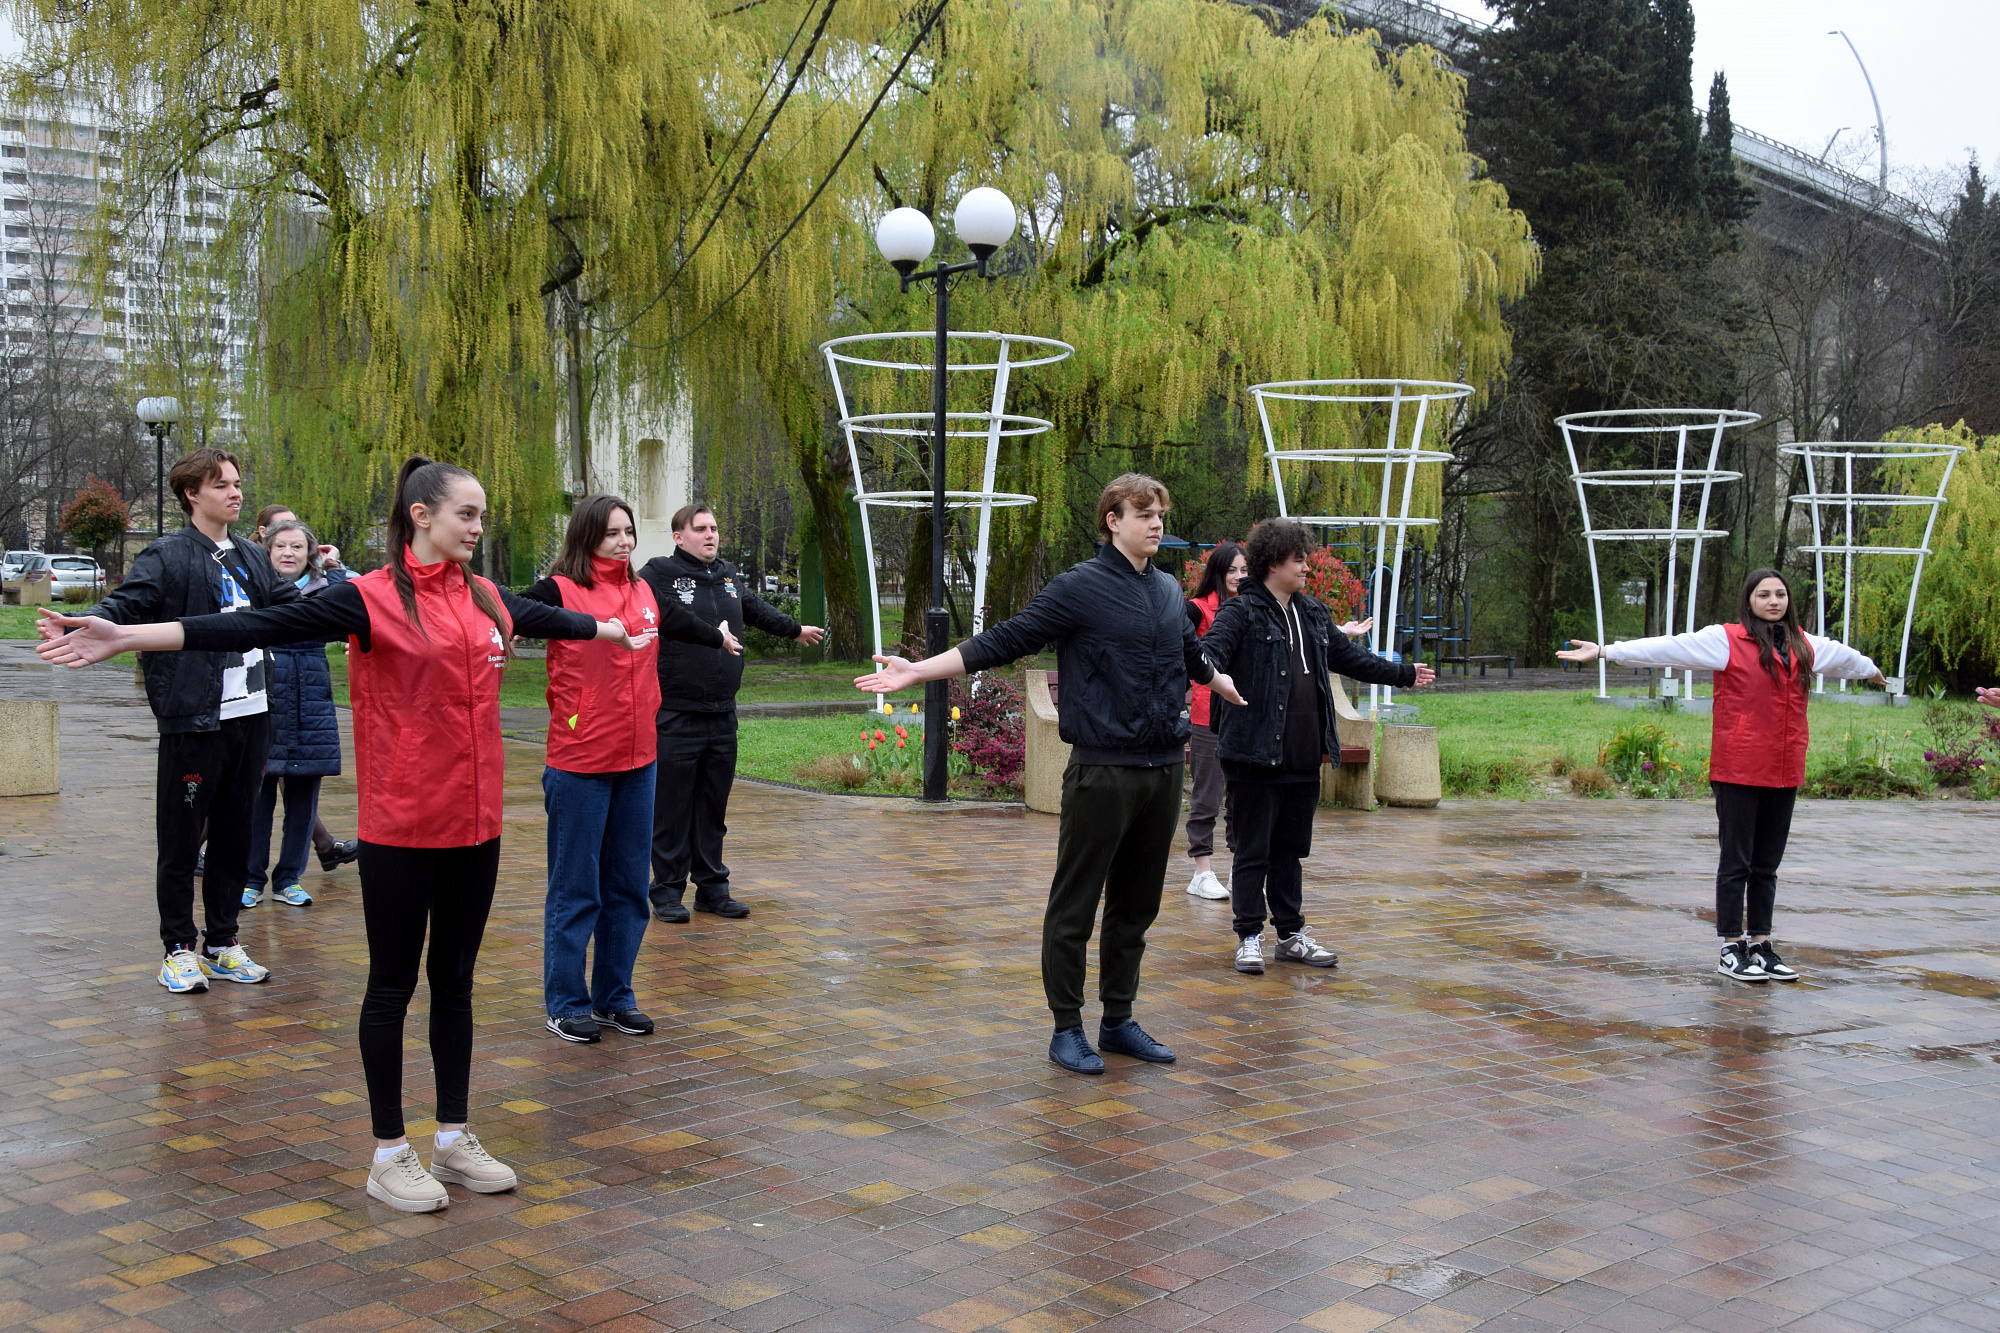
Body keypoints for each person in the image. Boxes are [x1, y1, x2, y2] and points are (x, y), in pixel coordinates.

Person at [39, 456, 656, 1213]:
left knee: (455, 983)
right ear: (421, 515)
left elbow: (557, 618)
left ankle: (453, 1136)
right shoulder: (367, 600)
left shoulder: (488, 597)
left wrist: (613, 629)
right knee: (393, 987)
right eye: (467, 513)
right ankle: (389, 1151)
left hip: (477, 826)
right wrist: (127, 635)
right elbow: (254, 622)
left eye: (482, 514)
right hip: (402, 828)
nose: (479, 527)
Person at [855, 474, 1243, 1076]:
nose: (1156, 523)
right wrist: (920, 672)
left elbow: (1187, 650)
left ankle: (1118, 1021)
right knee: (1075, 906)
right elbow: (1006, 640)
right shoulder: (1079, 588)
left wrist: (1217, 678)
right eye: (1143, 513)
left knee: (1135, 907)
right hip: (1102, 771)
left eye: (1160, 512)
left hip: (1164, 768)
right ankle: (1067, 1027)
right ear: (1112, 520)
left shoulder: (1168, 589)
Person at [1558, 568, 1884, 984]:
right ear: (1749, 599)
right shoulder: (1726, 640)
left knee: (1767, 864)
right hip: (1739, 768)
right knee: (1738, 861)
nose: (1773, 601)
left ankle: (1761, 944)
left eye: (1780, 594)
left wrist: (1871, 670)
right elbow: (1670, 649)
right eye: (1764, 594)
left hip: (1785, 769)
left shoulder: (1804, 644)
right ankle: (1732, 947)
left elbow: (1844, 657)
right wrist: (1606, 651)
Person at [60, 448, 297, 993]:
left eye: (238, 484)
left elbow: (291, 606)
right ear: (192, 493)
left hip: (251, 718)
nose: (235, 494)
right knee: (182, 838)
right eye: (222, 486)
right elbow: (127, 604)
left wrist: (351, 596)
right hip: (194, 719)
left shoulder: (250, 554)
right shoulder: (168, 554)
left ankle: (223, 942)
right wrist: (90, 623)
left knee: (237, 836)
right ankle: (177, 948)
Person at [515, 495, 742, 1044]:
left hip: (639, 761)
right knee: (577, 892)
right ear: (586, 536)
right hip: (580, 763)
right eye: (612, 533)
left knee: (625, 889)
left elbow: (677, 620)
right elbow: (512, 610)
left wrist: (716, 635)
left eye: (629, 532)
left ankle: (615, 997)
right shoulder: (560, 590)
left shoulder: (642, 589)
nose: (624, 542)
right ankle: (567, 1002)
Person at [1200, 519, 1433, 975]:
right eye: (1298, 559)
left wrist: (1404, 673)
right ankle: (1248, 936)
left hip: (1305, 755)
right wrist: (1213, 675)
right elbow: (1210, 655)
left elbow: (1352, 659)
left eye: (1306, 557)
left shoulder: (1313, 613)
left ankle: (1290, 936)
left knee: (1290, 850)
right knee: (1252, 852)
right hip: (1252, 754)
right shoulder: (1240, 612)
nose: (1306, 566)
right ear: (1272, 563)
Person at [637, 503, 823, 922]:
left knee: (712, 807)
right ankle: (666, 891)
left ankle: (712, 889)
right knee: (671, 808)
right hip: (675, 713)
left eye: (714, 528)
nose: (710, 535)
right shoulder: (657, 574)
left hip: (722, 714)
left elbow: (753, 609)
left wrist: (794, 629)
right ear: (678, 537)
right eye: (699, 529)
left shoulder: (728, 574)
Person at [242, 519, 349, 908]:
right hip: (265, 695)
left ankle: (289, 877)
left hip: (311, 702)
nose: (289, 554)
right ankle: (251, 877)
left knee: (304, 801)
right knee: (258, 798)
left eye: (298, 547)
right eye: (280, 547)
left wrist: (334, 567)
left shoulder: (324, 589)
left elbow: (350, 609)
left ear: (310, 555)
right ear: (267, 553)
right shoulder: (255, 590)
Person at [1182, 542, 1246, 900]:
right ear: (1218, 574)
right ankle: (1202, 872)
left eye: (1244, 570)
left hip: (1246, 716)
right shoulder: (1197, 609)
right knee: (1208, 794)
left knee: (1242, 797)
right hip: (1209, 717)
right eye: (1232, 570)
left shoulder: (1254, 608)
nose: (1239, 577)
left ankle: (1241, 868)